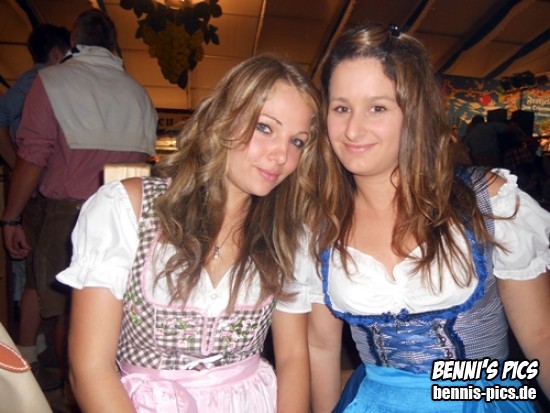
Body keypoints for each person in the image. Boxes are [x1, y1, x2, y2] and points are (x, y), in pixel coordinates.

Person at [56, 54, 326, 412]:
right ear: (222, 119)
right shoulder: (129, 210)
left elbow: (293, 358)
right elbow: (89, 367)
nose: (281, 155)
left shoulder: (287, 234)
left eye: (297, 141)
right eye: (264, 127)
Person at [307, 22, 550, 413]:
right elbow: (321, 347)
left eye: (377, 107)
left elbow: (541, 336)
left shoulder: (487, 202)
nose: (352, 129)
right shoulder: (322, 223)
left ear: (414, 113)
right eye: (341, 108)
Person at [1, 8, 158, 392]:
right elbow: (144, 164)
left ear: (74, 41)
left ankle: (71, 396)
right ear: (114, 44)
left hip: (69, 215)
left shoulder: (53, 82)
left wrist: (11, 217)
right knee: (115, 317)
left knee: (71, 316)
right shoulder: (139, 93)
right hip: (130, 216)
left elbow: (32, 157)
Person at [0, 23, 70, 389]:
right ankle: (26, 359)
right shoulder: (45, 81)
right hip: (38, 190)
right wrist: (19, 167)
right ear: (58, 52)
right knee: (38, 272)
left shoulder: (31, 82)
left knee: (38, 272)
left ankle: (34, 349)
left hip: (36, 187)